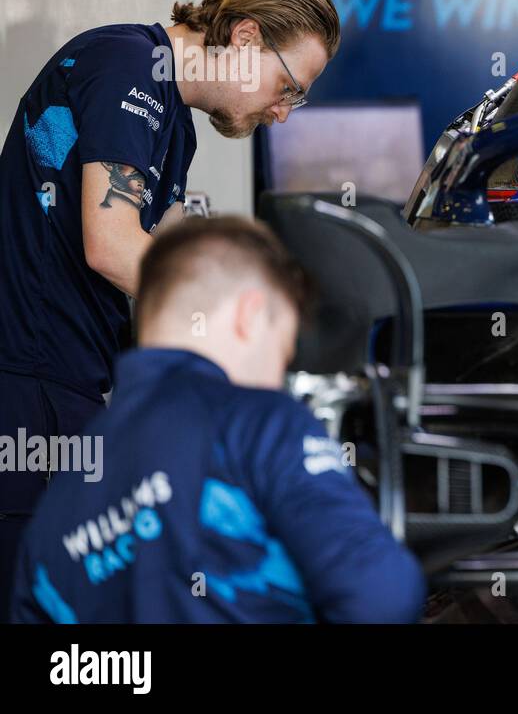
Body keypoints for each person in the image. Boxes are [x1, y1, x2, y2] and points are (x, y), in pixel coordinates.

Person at [0, 0, 339, 616]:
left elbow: (172, 281)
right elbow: (115, 244)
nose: (282, 111)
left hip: (71, 382)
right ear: (244, 37)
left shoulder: (174, 125)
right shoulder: (129, 65)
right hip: (22, 380)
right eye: (289, 87)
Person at [8, 216, 426, 623]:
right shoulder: (262, 424)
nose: (276, 377)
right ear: (250, 314)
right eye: (281, 350)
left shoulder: (53, 513)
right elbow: (383, 596)